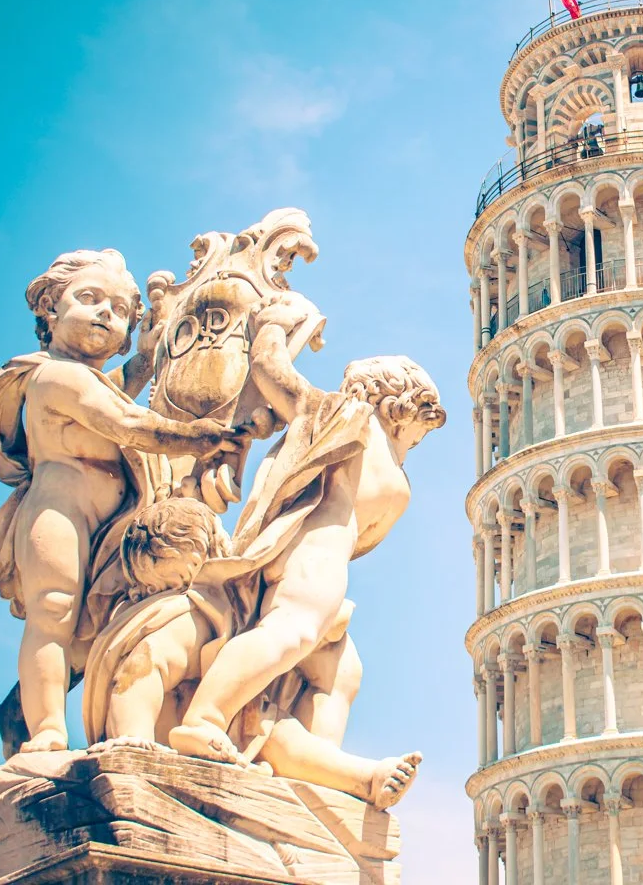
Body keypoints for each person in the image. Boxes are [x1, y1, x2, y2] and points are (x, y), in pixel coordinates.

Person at [0, 249, 241, 754]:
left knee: (87, 635)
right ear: (50, 308)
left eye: (118, 309)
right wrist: (197, 437)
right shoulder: (53, 375)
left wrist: (149, 351)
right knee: (54, 613)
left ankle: (17, 715)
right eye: (89, 299)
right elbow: (127, 422)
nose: (105, 314)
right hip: (60, 510)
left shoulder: (93, 381)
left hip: (112, 521)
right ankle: (48, 730)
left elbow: (120, 391)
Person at [167, 295, 446, 768]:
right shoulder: (340, 416)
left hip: (326, 554)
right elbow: (271, 369)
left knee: (341, 671)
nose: (416, 442)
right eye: (419, 430)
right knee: (292, 632)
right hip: (316, 546)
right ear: (401, 407)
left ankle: (315, 771)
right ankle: (204, 718)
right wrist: (275, 323)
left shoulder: (366, 444)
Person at [83, 498, 420, 809]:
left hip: (227, 730)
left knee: (275, 730)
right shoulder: (185, 615)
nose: (155, 594)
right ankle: (366, 778)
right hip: (166, 736)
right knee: (271, 728)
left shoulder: (218, 605)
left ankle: (367, 779)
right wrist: (133, 739)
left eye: (165, 583)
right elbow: (142, 669)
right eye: (156, 586)